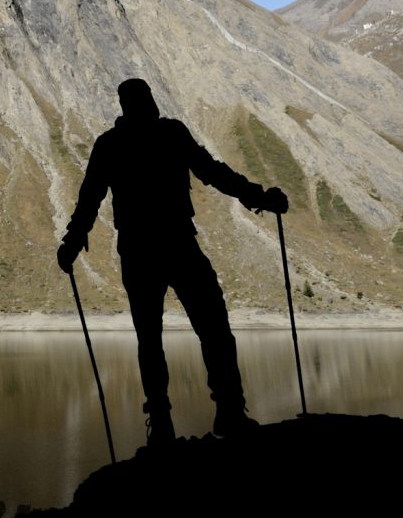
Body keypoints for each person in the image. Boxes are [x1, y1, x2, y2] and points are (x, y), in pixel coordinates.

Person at [57, 78, 288, 447]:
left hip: (138, 250)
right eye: (146, 98)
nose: (151, 103)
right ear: (141, 102)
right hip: (177, 243)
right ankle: (228, 411)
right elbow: (212, 172)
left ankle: (164, 424)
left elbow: (90, 199)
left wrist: (72, 240)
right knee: (212, 326)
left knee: (152, 337)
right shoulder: (169, 134)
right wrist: (258, 196)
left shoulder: (111, 144)